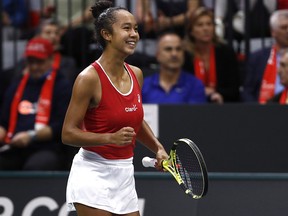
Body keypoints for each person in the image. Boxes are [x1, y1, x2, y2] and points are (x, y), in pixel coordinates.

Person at [61, 1, 169, 216]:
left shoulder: (136, 74)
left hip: (124, 173)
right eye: (126, 28)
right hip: (92, 173)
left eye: (136, 28)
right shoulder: (88, 78)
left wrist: (157, 148)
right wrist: (109, 138)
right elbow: (68, 134)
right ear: (107, 34)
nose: (134, 34)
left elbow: (135, 121)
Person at [0, 37, 72, 170]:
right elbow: (4, 121)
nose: (34, 67)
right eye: (31, 62)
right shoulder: (17, 85)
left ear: (51, 60)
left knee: (35, 166)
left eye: (39, 62)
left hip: (46, 148)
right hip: (13, 147)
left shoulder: (62, 86)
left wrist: (31, 136)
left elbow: (61, 126)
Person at [182, 7, 241, 104]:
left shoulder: (226, 53)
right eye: (200, 25)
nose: (206, 28)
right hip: (191, 106)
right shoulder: (185, 55)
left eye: (209, 24)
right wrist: (201, 92)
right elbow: (181, 87)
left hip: (222, 106)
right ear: (191, 31)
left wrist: (217, 93)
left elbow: (234, 90)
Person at [142, 31, 207, 104]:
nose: (174, 54)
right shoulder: (144, 86)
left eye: (178, 49)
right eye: (168, 49)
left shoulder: (195, 85)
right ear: (158, 55)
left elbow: (197, 114)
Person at [241, 9, 288, 103]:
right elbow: (247, 92)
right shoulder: (257, 58)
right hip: (262, 111)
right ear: (273, 32)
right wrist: (258, 111)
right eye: (284, 27)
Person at [135, 0, 201, 38]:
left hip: (187, 32)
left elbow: (193, 14)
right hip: (162, 32)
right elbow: (142, 15)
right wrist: (147, 18)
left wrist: (167, 22)